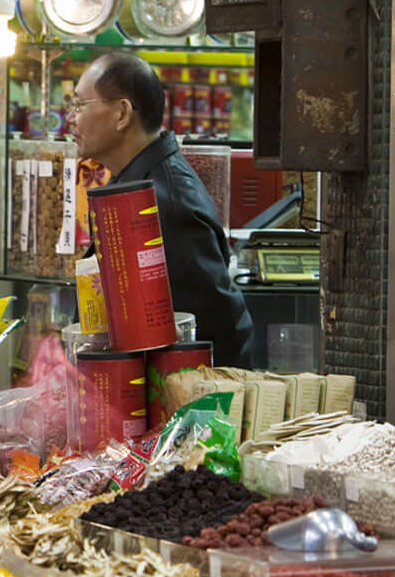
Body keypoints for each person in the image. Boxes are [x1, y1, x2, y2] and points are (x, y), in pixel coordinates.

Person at [68, 51, 256, 368]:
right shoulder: (132, 186)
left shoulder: (166, 205)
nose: (70, 117)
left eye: (79, 104)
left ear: (122, 114)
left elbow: (218, 332)